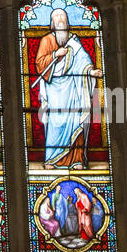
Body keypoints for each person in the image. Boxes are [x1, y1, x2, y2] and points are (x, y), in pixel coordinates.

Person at [34, 9, 101, 168]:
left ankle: (76, 159)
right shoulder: (46, 40)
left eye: (63, 16)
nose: (60, 19)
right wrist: (55, 54)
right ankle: (52, 159)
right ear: (52, 22)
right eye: (56, 16)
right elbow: (39, 64)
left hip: (73, 87)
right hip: (54, 88)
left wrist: (90, 72)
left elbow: (82, 62)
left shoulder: (74, 41)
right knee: (55, 123)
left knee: (75, 119)